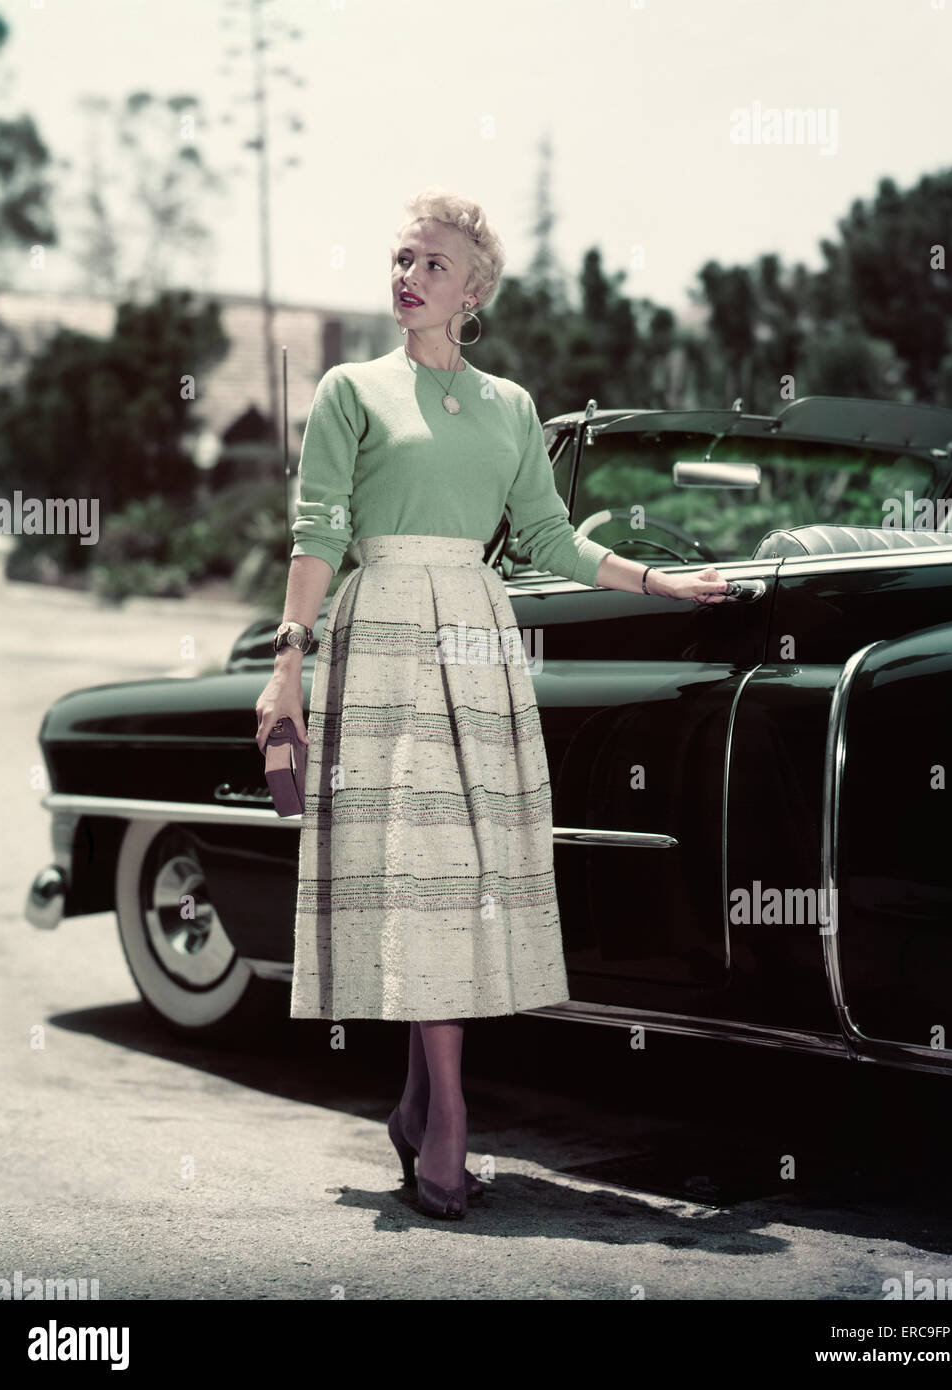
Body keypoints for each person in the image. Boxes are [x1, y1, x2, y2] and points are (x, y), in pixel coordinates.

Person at [254, 187, 730, 1220]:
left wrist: (660, 582)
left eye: (430, 262)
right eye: (399, 257)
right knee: (421, 871)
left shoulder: (512, 406)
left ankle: (419, 1108)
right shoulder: (348, 389)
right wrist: (288, 660)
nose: (407, 276)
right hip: (378, 635)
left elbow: (548, 546)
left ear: (473, 289)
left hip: (476, 639)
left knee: (462, 875)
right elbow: (317, 533)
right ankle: (450, 1131)